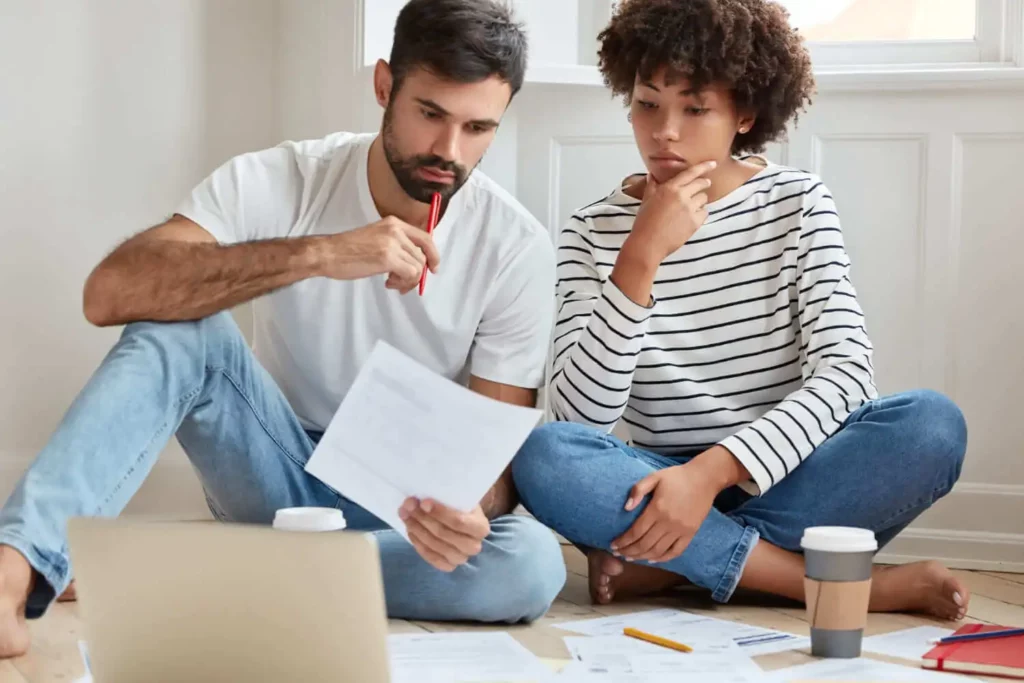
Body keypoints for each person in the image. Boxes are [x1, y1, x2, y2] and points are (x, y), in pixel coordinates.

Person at [0, 0, 567, 659]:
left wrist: (470, 507)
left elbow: (493, 464)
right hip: (275, 468)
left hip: (404, 506)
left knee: (529, 562)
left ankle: (231, 573)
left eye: (478, 128)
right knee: (185, 332)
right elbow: (110, 292)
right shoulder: (285, 177)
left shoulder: (516, 245)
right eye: (430, 114)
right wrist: (321, 253)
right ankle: (12, 574)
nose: (449, 150)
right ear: (385, 86)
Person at [512, 0, 969, 621]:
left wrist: (707, 478)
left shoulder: (797, 203)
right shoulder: (590, 231)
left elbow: (846, 375)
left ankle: (678, 564)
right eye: (647, 103)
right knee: (545, 456)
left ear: (744, 114)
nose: (663, 131)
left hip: (780, 476)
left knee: (932, 426)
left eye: (695, 108)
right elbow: (581, 419)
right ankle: (825, 585)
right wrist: (640, 256)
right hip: (652, 482)